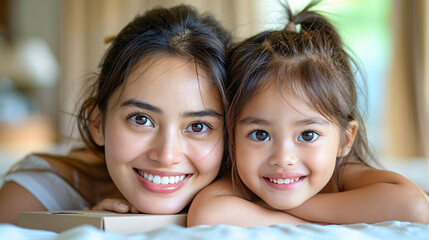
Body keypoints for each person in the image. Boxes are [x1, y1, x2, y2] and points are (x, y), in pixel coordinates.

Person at [187, 0, 429, 227]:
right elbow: (207, 213)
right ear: (231, 136)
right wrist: (306, 225)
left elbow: (415, 206)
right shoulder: (247, 178)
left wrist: (285, 209)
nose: (283, 158)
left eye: (308, 135)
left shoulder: (342, 174)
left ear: (345, 140)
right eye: (260, 134)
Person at [0, 4, 231, 225]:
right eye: (141, 119)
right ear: (97, 124)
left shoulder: (255, 185)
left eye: (198, 126)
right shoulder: (34, 195)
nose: (166, 156)